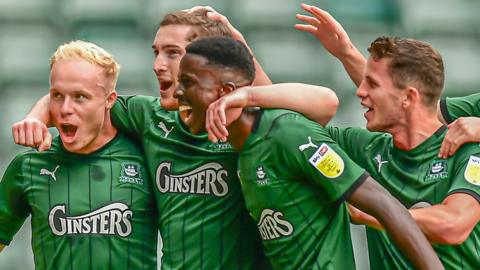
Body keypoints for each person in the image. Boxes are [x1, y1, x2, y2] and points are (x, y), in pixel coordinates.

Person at [11, 7, 342, 269]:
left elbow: (325, 104)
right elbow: (80, 99)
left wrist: (241, 54)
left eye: (171, 53)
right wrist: (36, 117)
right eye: (156, 51)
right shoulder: (148, 116)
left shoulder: (242, 124)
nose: (157, 65)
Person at [176, 36, 443, 270]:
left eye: (187, 83)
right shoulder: (241, 145)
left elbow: (385, 205)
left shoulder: (289, 135)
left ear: (225, 93)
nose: (178, 92)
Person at [292, 4, 480, 269]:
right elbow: (285, 126)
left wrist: (376, 213)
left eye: (372, 84)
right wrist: (245, 67)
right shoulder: (365, 148)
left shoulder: (467, 150)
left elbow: (453, 225)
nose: (359, 92)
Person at [0, 40, 157, 269]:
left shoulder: (147, 159)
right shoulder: (29, 166)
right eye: (57, 95)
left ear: (109, 100)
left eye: (80, 97)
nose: (65, 109)